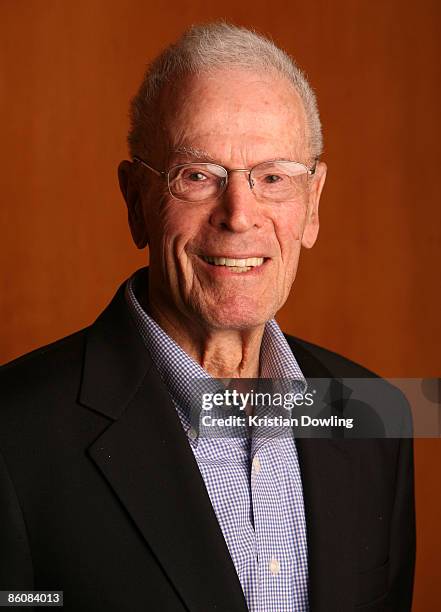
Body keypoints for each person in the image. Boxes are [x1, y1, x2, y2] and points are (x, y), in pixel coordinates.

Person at [0, 22, 415, 612]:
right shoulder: (14, 438)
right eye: (198, 176)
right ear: (135, 201)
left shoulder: (377, 419)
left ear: (313, 203)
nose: (239, 214)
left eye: (273, 177)